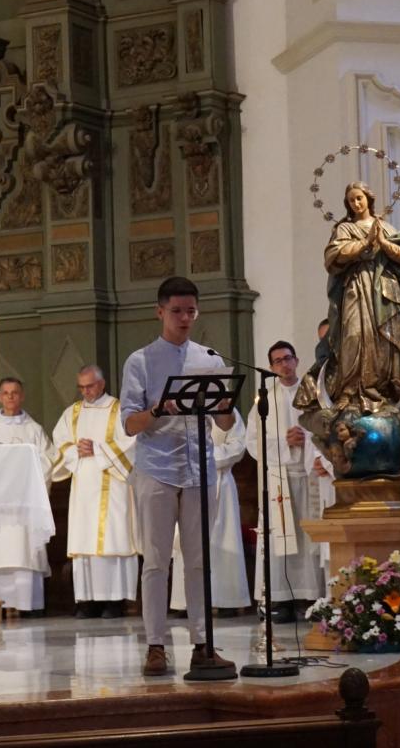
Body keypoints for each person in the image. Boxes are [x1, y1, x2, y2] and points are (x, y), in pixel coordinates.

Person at [120, 275, 237, 677]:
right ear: (160, 312)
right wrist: (157, 409)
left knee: (199, 559)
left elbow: (224, 423)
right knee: (155, 560)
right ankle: (156, 645)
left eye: (191, 311)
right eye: (177, 311)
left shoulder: (210, 358)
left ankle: (203, 644)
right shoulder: (140, 360)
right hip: (156, 468)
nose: (185, 318)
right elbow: (129, 425)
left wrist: (224, 405)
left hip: (199, 466)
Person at [320, 182, 400, 411]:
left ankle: (387, 389)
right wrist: (365, 243)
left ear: (368, 199)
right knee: (353, 335)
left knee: (386, 340)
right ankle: (350, 390)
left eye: (359, 198)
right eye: (351, 200)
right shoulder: (344, 229)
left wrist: (382, 243)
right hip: (357, 289)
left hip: (384, 290)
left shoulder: (386, 228)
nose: (356, 203)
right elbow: (334, 255)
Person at [50, 365, 139, 619]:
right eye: (81, 387)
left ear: (102, 384)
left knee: (114, 539)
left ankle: (115, 602)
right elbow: (60, 442)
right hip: (84, 487)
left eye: (89, 386)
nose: (85, 391)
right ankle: (87, 601)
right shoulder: (73, 412)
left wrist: (98, 450)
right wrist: (75, 450)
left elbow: (131, 442)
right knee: (84, 541)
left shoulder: (119, 409)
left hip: (114, 485)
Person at [248, 340, 322, 620]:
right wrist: (285, 442)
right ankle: (281, 599)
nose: (284, 365)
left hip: (309, 474)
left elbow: (326, 428)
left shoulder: (313, 395)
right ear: (270, 367)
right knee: (281, 539)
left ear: (297, 360)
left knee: (309, 538)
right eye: (277, 361)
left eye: (288, 358)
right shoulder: (263, 400)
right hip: (280, 477)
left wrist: (308, 440)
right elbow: (252, 442)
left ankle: (310, 597)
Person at [0, 377, 54, 617]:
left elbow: (49, 461)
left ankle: (28, 605)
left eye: (15, 393)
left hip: (23, 504)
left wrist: (25, 472)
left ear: (22, 396)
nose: (10, 397)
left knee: (23, 552)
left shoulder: (33, 430)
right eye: (5, 393)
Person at [170, 405, 250, 616]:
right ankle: (186, 602)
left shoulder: (226, 407)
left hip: (220, 481)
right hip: (188, 479)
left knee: (224, 539)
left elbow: (239, 445)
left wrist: (206, 455)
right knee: (190, 538)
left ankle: (226, 600)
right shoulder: (182, 406)